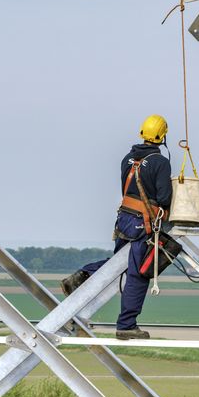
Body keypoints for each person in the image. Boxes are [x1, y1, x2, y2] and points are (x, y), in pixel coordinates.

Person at [61, 115, 172, 340]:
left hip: (124, 218)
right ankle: (127, 325)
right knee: (138, 273)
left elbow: (126, 190)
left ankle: (85, 274)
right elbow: (164, 197)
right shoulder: (160, 163)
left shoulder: (127, 159)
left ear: (142, 133)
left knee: (118, 263)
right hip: (143, 222)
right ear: (162, 136)